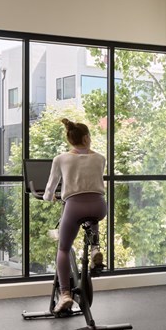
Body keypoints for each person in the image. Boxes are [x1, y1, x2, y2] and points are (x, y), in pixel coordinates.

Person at [43, 118, 106, 313]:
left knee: (63, 249)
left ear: (70, 140)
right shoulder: (100, 158)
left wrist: (48, 197)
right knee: (91, 219)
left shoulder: (60, 159)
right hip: (99, 206)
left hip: (74, 207)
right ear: (86, 138)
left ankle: (65, 295)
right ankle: (95, 248)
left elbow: (50, 188)